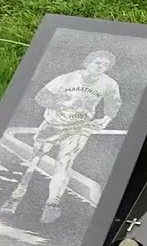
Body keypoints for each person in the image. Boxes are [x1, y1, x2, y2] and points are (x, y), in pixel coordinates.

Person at [8, 50, 121, 224]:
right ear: (87, 62)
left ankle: (51, 204)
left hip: (79, 128)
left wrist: (105, 119)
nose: (101, 68)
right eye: (98, 63)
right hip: (53, 125)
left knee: (65, 163)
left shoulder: (109, 83)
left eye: (106, 65)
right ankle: (15, 197)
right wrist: (61, 103)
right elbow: (41, 97)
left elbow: (114, 102)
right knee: (35, 161)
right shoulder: (66, 79)